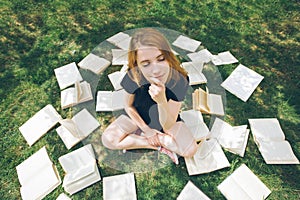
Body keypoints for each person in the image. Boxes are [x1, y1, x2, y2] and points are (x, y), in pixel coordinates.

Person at [101, 28, 197, 164]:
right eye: (146, 64)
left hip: (167, 120)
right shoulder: (133, 76)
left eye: (161, 59)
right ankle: (156, 144)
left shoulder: (179, 80)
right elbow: (128, 106)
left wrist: (162, 101)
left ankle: (144, 139)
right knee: (108, 139)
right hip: (138, 117)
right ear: (137, 65)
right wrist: (148, 131)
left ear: (168, 56)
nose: (156, 70)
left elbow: (169, 123)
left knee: (190, 150)